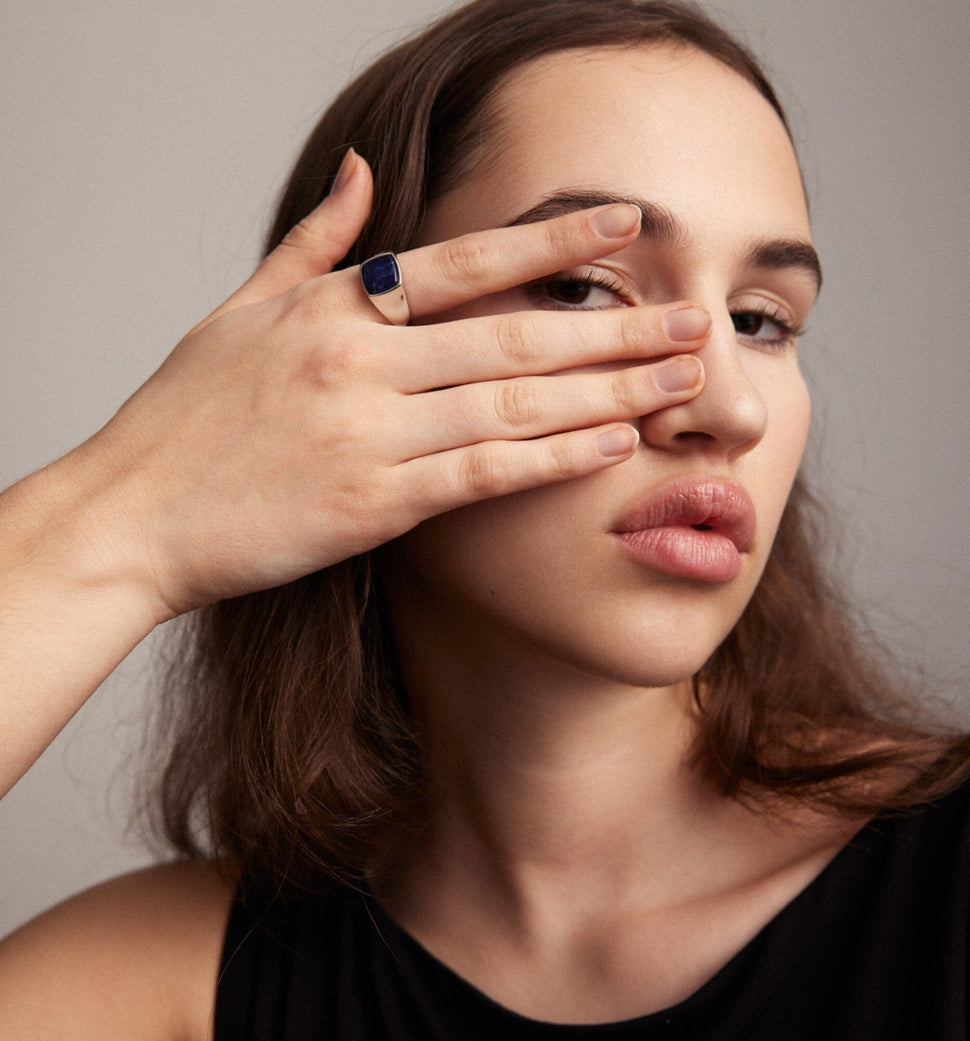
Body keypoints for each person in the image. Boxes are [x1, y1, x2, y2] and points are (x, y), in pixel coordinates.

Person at [1, 0, 968, 1036]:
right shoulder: (151, 992)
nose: (727, 408)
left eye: (760, 321)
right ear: (330, 367)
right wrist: (126, 518)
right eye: (582, 289)